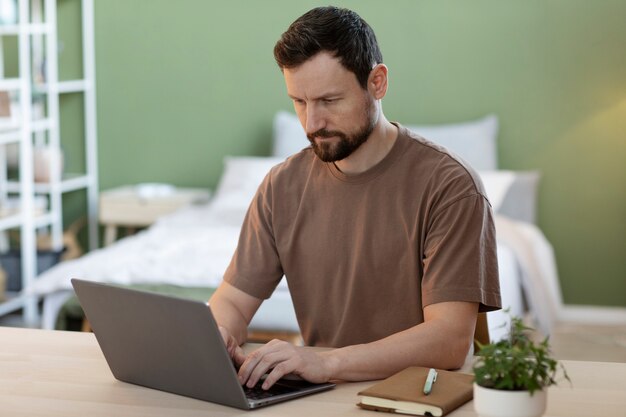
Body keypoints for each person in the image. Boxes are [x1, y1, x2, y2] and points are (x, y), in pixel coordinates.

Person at [209, 6, 501, 390]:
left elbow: (449, 342)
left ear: (377, 82)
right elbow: (232, 302)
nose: (312, 124)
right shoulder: (281, 187)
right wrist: (218, 337)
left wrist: (324, 361)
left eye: (329, 101)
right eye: (299, 102)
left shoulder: (450, 186)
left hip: (415, 395)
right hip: (322, 394)